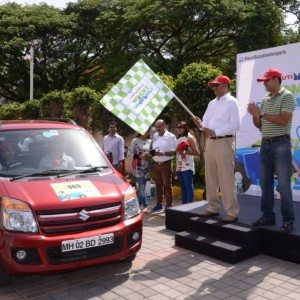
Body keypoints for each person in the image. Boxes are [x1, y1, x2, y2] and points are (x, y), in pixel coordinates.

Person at [247, 68, 295, 233]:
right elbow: (259, 125)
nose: (264, 84)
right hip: (265, 144)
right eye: (263, 81)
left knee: (283, 186)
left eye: (266, 81)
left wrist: (262, 113)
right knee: (265, 184)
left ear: (276, 79)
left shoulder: (287, 95)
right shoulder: (266, 98)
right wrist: (255, 115)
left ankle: (288, 220)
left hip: (281, 145)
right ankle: (268, 216)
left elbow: (283, 120)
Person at [193, 75, 240, 223]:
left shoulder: (233, 102)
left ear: (225, 85)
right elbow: (205, 125)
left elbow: (235, 125)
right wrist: (199, 124)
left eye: (216, 85)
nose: (213, 88)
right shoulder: (212, 103)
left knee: (226, 177)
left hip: (224, 141)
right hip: (211, 142)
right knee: (211, 176)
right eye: (213, 86)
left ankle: (232, 211)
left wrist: (215, 132)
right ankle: (212, 207)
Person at [150, 119, 177, 213]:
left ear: (164, 126)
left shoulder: (171, 136)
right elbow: (153, 149)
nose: (157, 129)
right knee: (158, 185)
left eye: (159, 127)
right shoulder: (155, 136)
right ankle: (159, 204)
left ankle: (169, 205)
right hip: (156, 164)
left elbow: (175, 151)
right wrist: (150, 154)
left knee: (167, 185)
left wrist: (164, 153)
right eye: (156, 127)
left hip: (166, 164)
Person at [176, 121, 200, 204]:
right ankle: (184, 206)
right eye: (177, 127)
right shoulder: (178, 138)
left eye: (180, 127)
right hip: (179, 166)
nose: (178, 129)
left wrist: (184, 152)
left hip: (187, 166)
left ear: (185, 128)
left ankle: (190, 206)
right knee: (183, 187)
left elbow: (197, 153)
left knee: (188, 186)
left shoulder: (190, 138)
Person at [129, 131, 152, 213]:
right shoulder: (135, 141)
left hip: (147, 167)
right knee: (141, 186)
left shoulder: (150, 141)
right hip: (138, 167)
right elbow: (130, 154)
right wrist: (139, 156)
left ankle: (137, 204)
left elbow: (152, 153)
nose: (147, 132)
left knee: (143, 186)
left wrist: (149, 155)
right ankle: (145, 205)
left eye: (148, 130)